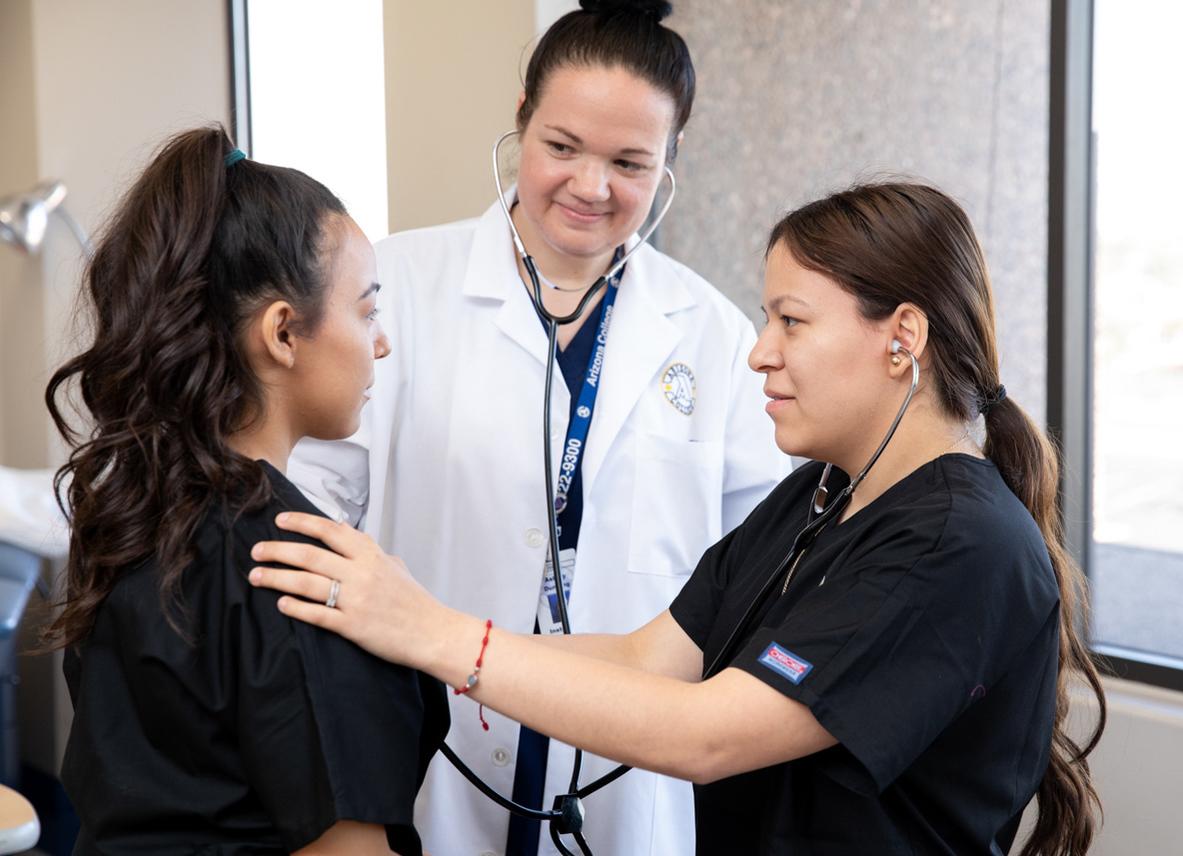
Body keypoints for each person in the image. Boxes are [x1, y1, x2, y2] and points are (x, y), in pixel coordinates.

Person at [253, 182, 1108, 855]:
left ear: (902, 336)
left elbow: (704, 734)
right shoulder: (820, 495)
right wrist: (405, 638)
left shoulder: (956, 544)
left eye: (791, 321)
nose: (757, 350)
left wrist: (438, 636)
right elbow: (649, 657)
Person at [286, 2, 789, 853]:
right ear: (520, 119)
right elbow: (308, 504)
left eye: (630, 162)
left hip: (624, 767)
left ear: (670, 163)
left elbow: (756, 567)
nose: (591, 187)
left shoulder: (712, 334)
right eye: (561, 148)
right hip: (427, 741)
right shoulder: (396, 287)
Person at [43, 127, 448, 855]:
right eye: (366, 309)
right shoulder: (305, 576)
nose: (379, 342)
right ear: (284, 333)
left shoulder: (137, 513)